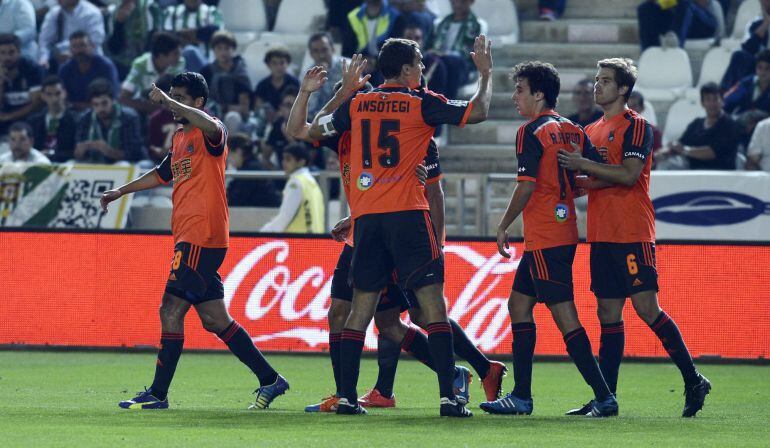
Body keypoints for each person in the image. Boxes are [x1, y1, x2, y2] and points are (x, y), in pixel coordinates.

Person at [288, 72, 505, 412]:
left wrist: (438, 242)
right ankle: (356, 392)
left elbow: (434, 191)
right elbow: (303, 129)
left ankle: (467, 371)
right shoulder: (343, 133)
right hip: (366, 233)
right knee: (361, 316)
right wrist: (355, 217)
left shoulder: (413, 134)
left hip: (402, 232)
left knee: (414, 314)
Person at [101, 72, 289, 410]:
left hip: (202, 234)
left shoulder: (211, 131)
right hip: (189, 235)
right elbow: (161, 174)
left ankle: (158, 394)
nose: (173, 104)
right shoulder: (179, 137)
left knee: (170, 309)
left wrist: (165, 100)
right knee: (215, 319)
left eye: (180, 98)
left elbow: (210, 125)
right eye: (171, 97)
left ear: (199, 102)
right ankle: (270, 379)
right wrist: (121, 191)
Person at [556, 57, 711, 418]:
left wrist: (581, 166)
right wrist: (567, 185)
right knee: (607, 312)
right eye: (597, 79)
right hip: (601, 233)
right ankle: (606, 399)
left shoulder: (637, 126)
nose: (597, 86)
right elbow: (597, 179)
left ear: (623, 88)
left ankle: (693, 379)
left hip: (631, 231)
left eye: (606, 80)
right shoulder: (591, 129)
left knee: (646, 308)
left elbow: (628, 175)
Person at [480, 61, 617, 418]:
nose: (515, 97)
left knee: (565, 316)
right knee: (518, 305)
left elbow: (526, 186)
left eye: (520, 90)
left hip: (545, 235)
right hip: (563, 231)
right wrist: (572, 189)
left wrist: (503, 225)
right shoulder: (574, 129)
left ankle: (604, 397)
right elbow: (600, 173)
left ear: (539, 94)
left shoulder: (530, 131)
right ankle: (521, 396)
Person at [659, 82, 740, 170]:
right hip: (692, 171)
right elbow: (681, 144)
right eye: (708, 99)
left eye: (715, 99)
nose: (712, 103)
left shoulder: (730, 124)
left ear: (722, 101)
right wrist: (666, 152)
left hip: (720, 173)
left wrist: (685, 150)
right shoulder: (696, 123)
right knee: (664, 162)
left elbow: (713, 152)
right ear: (702, 103)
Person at [74, 78, 145, 163]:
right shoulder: (84, 119)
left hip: (123, 163)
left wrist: (107, 150)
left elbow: (134, 154)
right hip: (93, 163)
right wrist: (80, 151)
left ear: (113, 101)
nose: (100, 108)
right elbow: (78, 155)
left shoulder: (129, 117)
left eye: (104, 103)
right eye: (96, 104)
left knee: (123, 164)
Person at [259, 142, 325, 233]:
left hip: (298, 238)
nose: (283, 163)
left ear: (301, 162)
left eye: (288, 159)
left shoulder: (295, 183)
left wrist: (263, 232)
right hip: (316, 237)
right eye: (283, 159)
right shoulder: (312, 181)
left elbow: (284, 218)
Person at [429, 0, 487, 98]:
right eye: (454, 2)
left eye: (462, 2)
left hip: (463, 67)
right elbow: (428, 46)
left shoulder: (478, 25)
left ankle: (446, 102)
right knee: (435, 63)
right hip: (438, 61)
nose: (458, 5)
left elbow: (478, 53)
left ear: (470, 2)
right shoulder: (440, 23)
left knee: (453, 61)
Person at [120, 31, 185, 115]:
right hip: (144, 110)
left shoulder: (179, 63)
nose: (179, 57)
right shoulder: (140, 64)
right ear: (161, 55)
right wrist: (153, 107)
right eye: (175, 53)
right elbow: (124, 97)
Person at [58, 31, 120, 111]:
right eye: (74, 46)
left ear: (92, 46)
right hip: (73, 111)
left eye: (82, 45)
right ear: (70, 49)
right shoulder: (65, 69)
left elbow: (113, 97)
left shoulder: (105, 66)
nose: (79, 50)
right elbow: (61, 97)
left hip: (102, 110)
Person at [37, 0, 105, 72]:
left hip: (89, 61)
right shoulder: (54, 13)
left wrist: (65, 49)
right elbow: (44, 40)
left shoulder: (92, 13)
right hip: (60, 62)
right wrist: (44, 58)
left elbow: (95, 39)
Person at [199, 30, 251, 124]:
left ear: (233, 49)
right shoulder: (206, 72)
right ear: (213, 50)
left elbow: (244, 109)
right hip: (210, 114)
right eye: (219, 48)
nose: (223, 52)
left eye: (227, 48)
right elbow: (200, 101)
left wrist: (225, 108)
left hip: (234, 117)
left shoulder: (240, 73)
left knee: (232, 117)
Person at [27, 75, 79, 162]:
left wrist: (52, 154)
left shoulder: (76, 120)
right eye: (49, 94)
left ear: (64, 93)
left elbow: (77, 150)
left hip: (68, 163)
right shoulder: (33, 121)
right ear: (43, 96)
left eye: (58, 94)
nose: (54, 99)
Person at [160, 0, 223, 72]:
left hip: (206, 65)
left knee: (190, 51)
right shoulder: (171, 12)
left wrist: (180, 34)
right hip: (176, 66)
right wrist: (198, 35)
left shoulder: (212, 12)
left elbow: (215, 33)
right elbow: (166, 37)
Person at [721, 0, 770, 91]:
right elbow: (747, 47)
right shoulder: (755, 24)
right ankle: (725, 94)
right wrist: (765, 24)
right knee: (739, 56)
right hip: (761, 65)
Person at [0, 33, 43, 136]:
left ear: (19, 52)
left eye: (11, 52)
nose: (7, 57)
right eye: (2, 53)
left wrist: (9, 116)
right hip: (5, 115)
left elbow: (37, 105)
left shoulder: (32, 68)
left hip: (28, 116)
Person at [226, 133, 281, 207]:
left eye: (229, 154)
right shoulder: (250, 166)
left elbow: (236, 199)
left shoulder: (250, 171)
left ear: (239, 151)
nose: (228, 159)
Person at [305, 32, 350, 119]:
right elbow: (309, 104)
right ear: (311, 54)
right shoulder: (308, 74)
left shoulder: (347, 66)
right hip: (315, 118)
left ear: (332, 49)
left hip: (343, 116)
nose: (321, 55)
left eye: (324, 50)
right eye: (316, 51)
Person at [254, 46, 300, 114]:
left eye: (282, 63)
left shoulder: (294, 83)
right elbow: (257, 108)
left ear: (287, 64)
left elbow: (299, 105)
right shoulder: (262, 85)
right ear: (268, 65)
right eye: (274, 63)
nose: (279, 67)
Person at [724, 49, 770, 116]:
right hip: (742, 119)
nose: (763, 72)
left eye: (767, 68)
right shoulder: (746, 83)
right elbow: (728, 99)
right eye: (759, 67)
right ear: (755, 67)